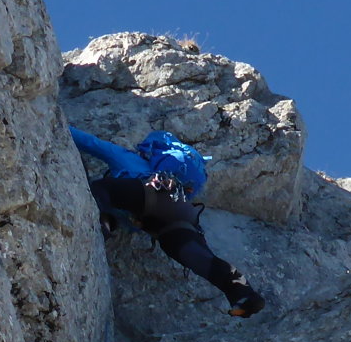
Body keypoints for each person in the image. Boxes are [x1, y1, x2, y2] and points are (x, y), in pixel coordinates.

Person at [70, 126, 265, 316]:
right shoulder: (180, 178)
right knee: (201, 258)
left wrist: (60, 124)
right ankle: (245, 295)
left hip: (149, 196)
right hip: (182, 215)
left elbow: (90, 143)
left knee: (102, 189)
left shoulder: (129, 157)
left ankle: (103, 223)